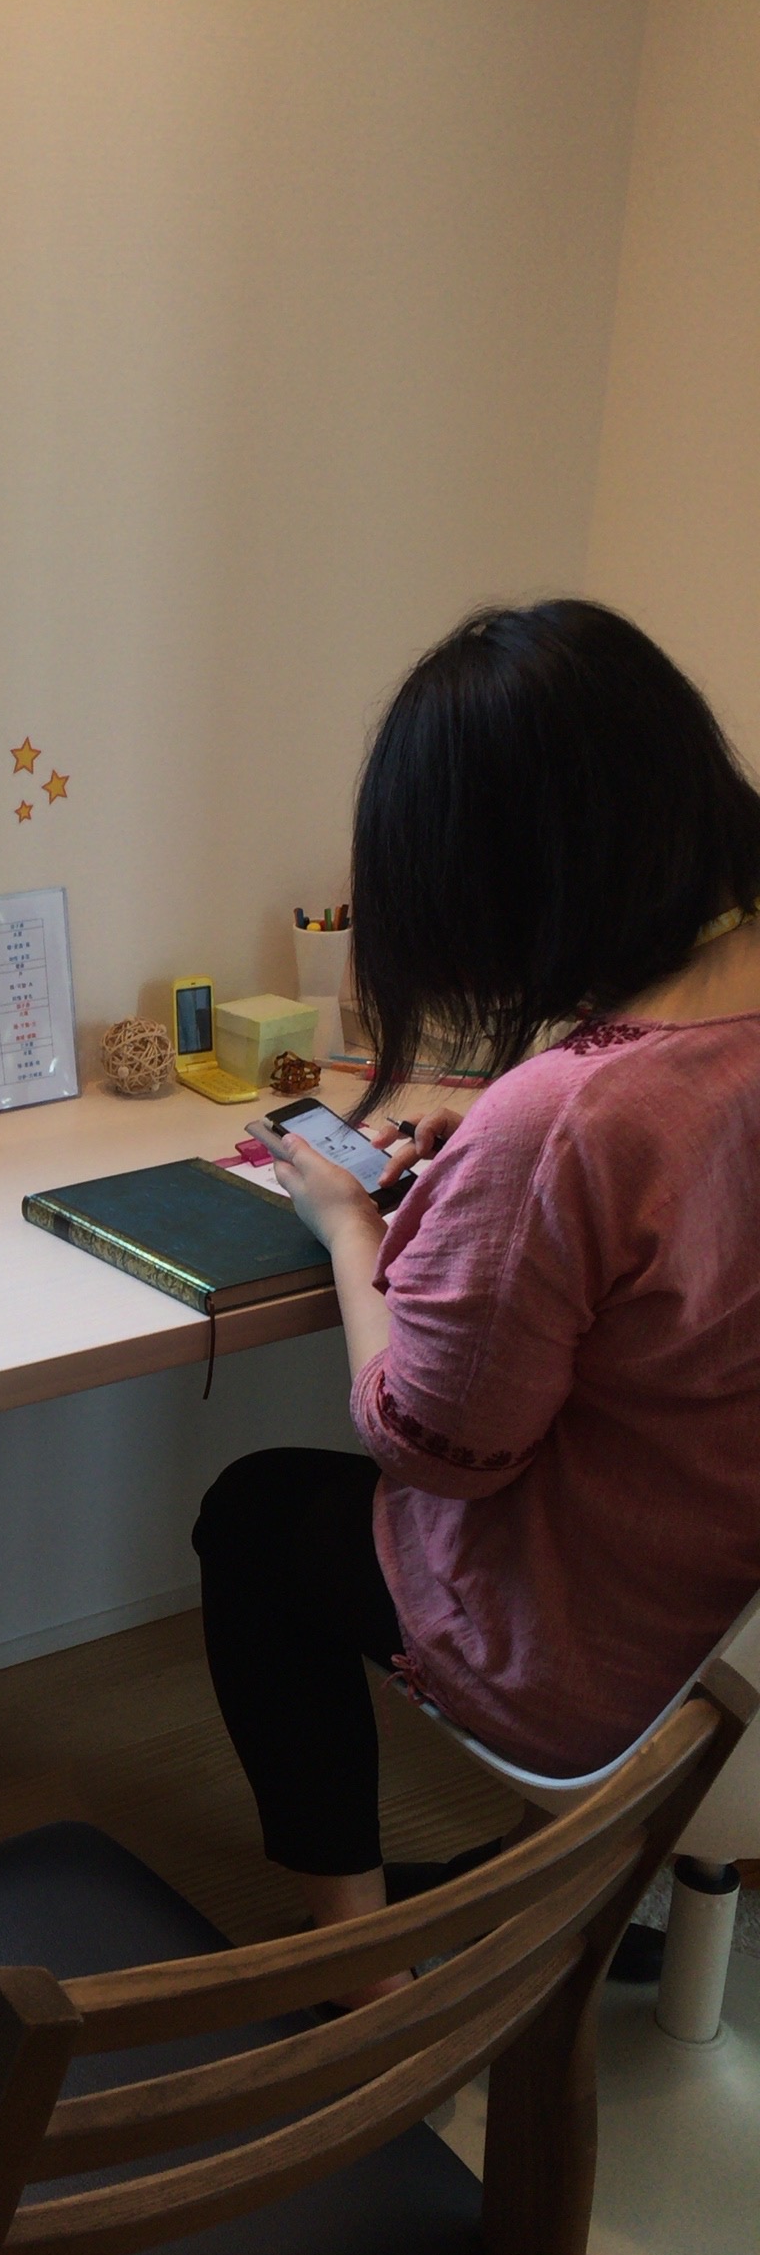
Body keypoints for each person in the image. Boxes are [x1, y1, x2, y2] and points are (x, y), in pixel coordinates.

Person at [193, 600, 760, 1997]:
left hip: (622, 1665)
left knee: (258, 1519)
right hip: (736, 1625)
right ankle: (549, 1882)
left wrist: (350, 1226)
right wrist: (498, 1195)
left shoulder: (569, 1119)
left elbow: (433, 1444)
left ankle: (361, 1979)